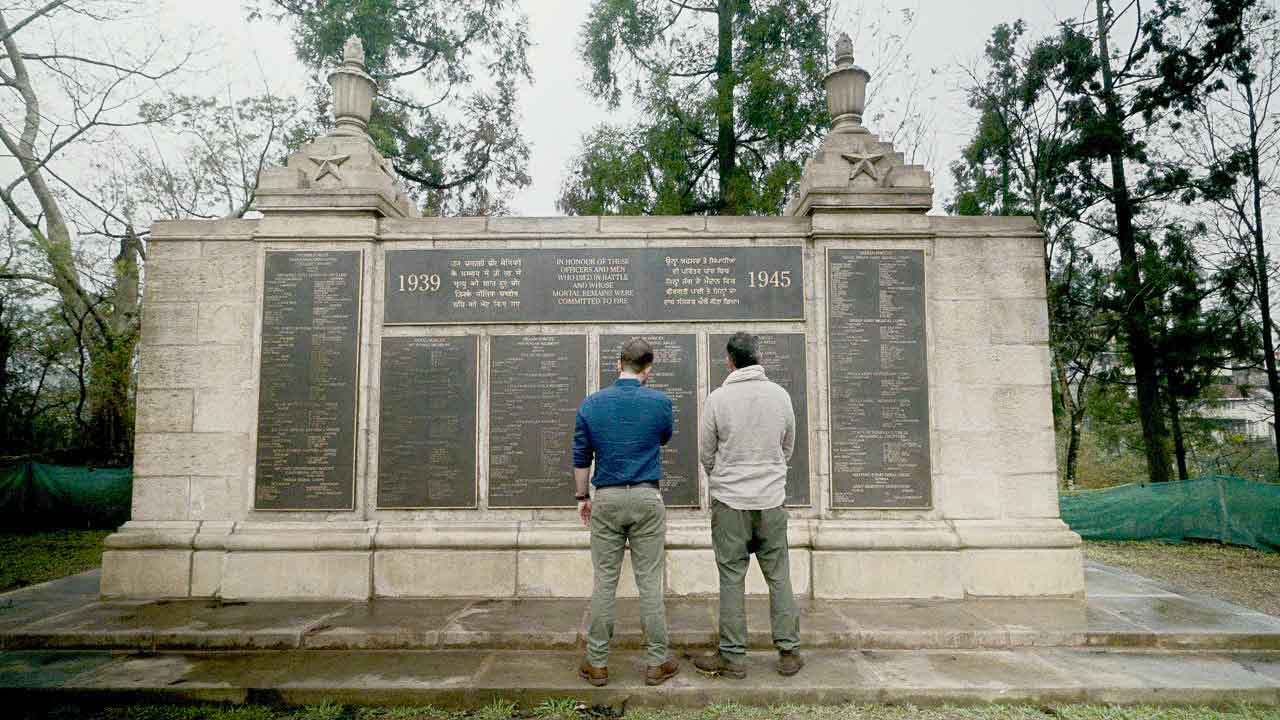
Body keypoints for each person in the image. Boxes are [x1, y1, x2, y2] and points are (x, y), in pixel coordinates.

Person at [694, 332, 802, 679]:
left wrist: (725, 479)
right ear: (758, 357)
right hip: (771, 502)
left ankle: (733, 657)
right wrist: (770, 475)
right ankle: (788, 652)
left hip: (730, 504)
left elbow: (706, 454)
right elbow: (788, 447)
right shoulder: (781, 397)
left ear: (730, 360)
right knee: (779, 577)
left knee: (731, 579)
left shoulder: (718, 399)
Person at [573, 337, 680, 687]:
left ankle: (598, 663)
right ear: (647, 369)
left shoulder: (591, 405)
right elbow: (663, 438)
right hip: (647, 497)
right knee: (650, 582)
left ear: (618, 364)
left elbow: (580, 457)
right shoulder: (660, 403)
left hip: (607, 497)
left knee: (605, 580)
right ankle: (655, 663)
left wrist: (582, 496)